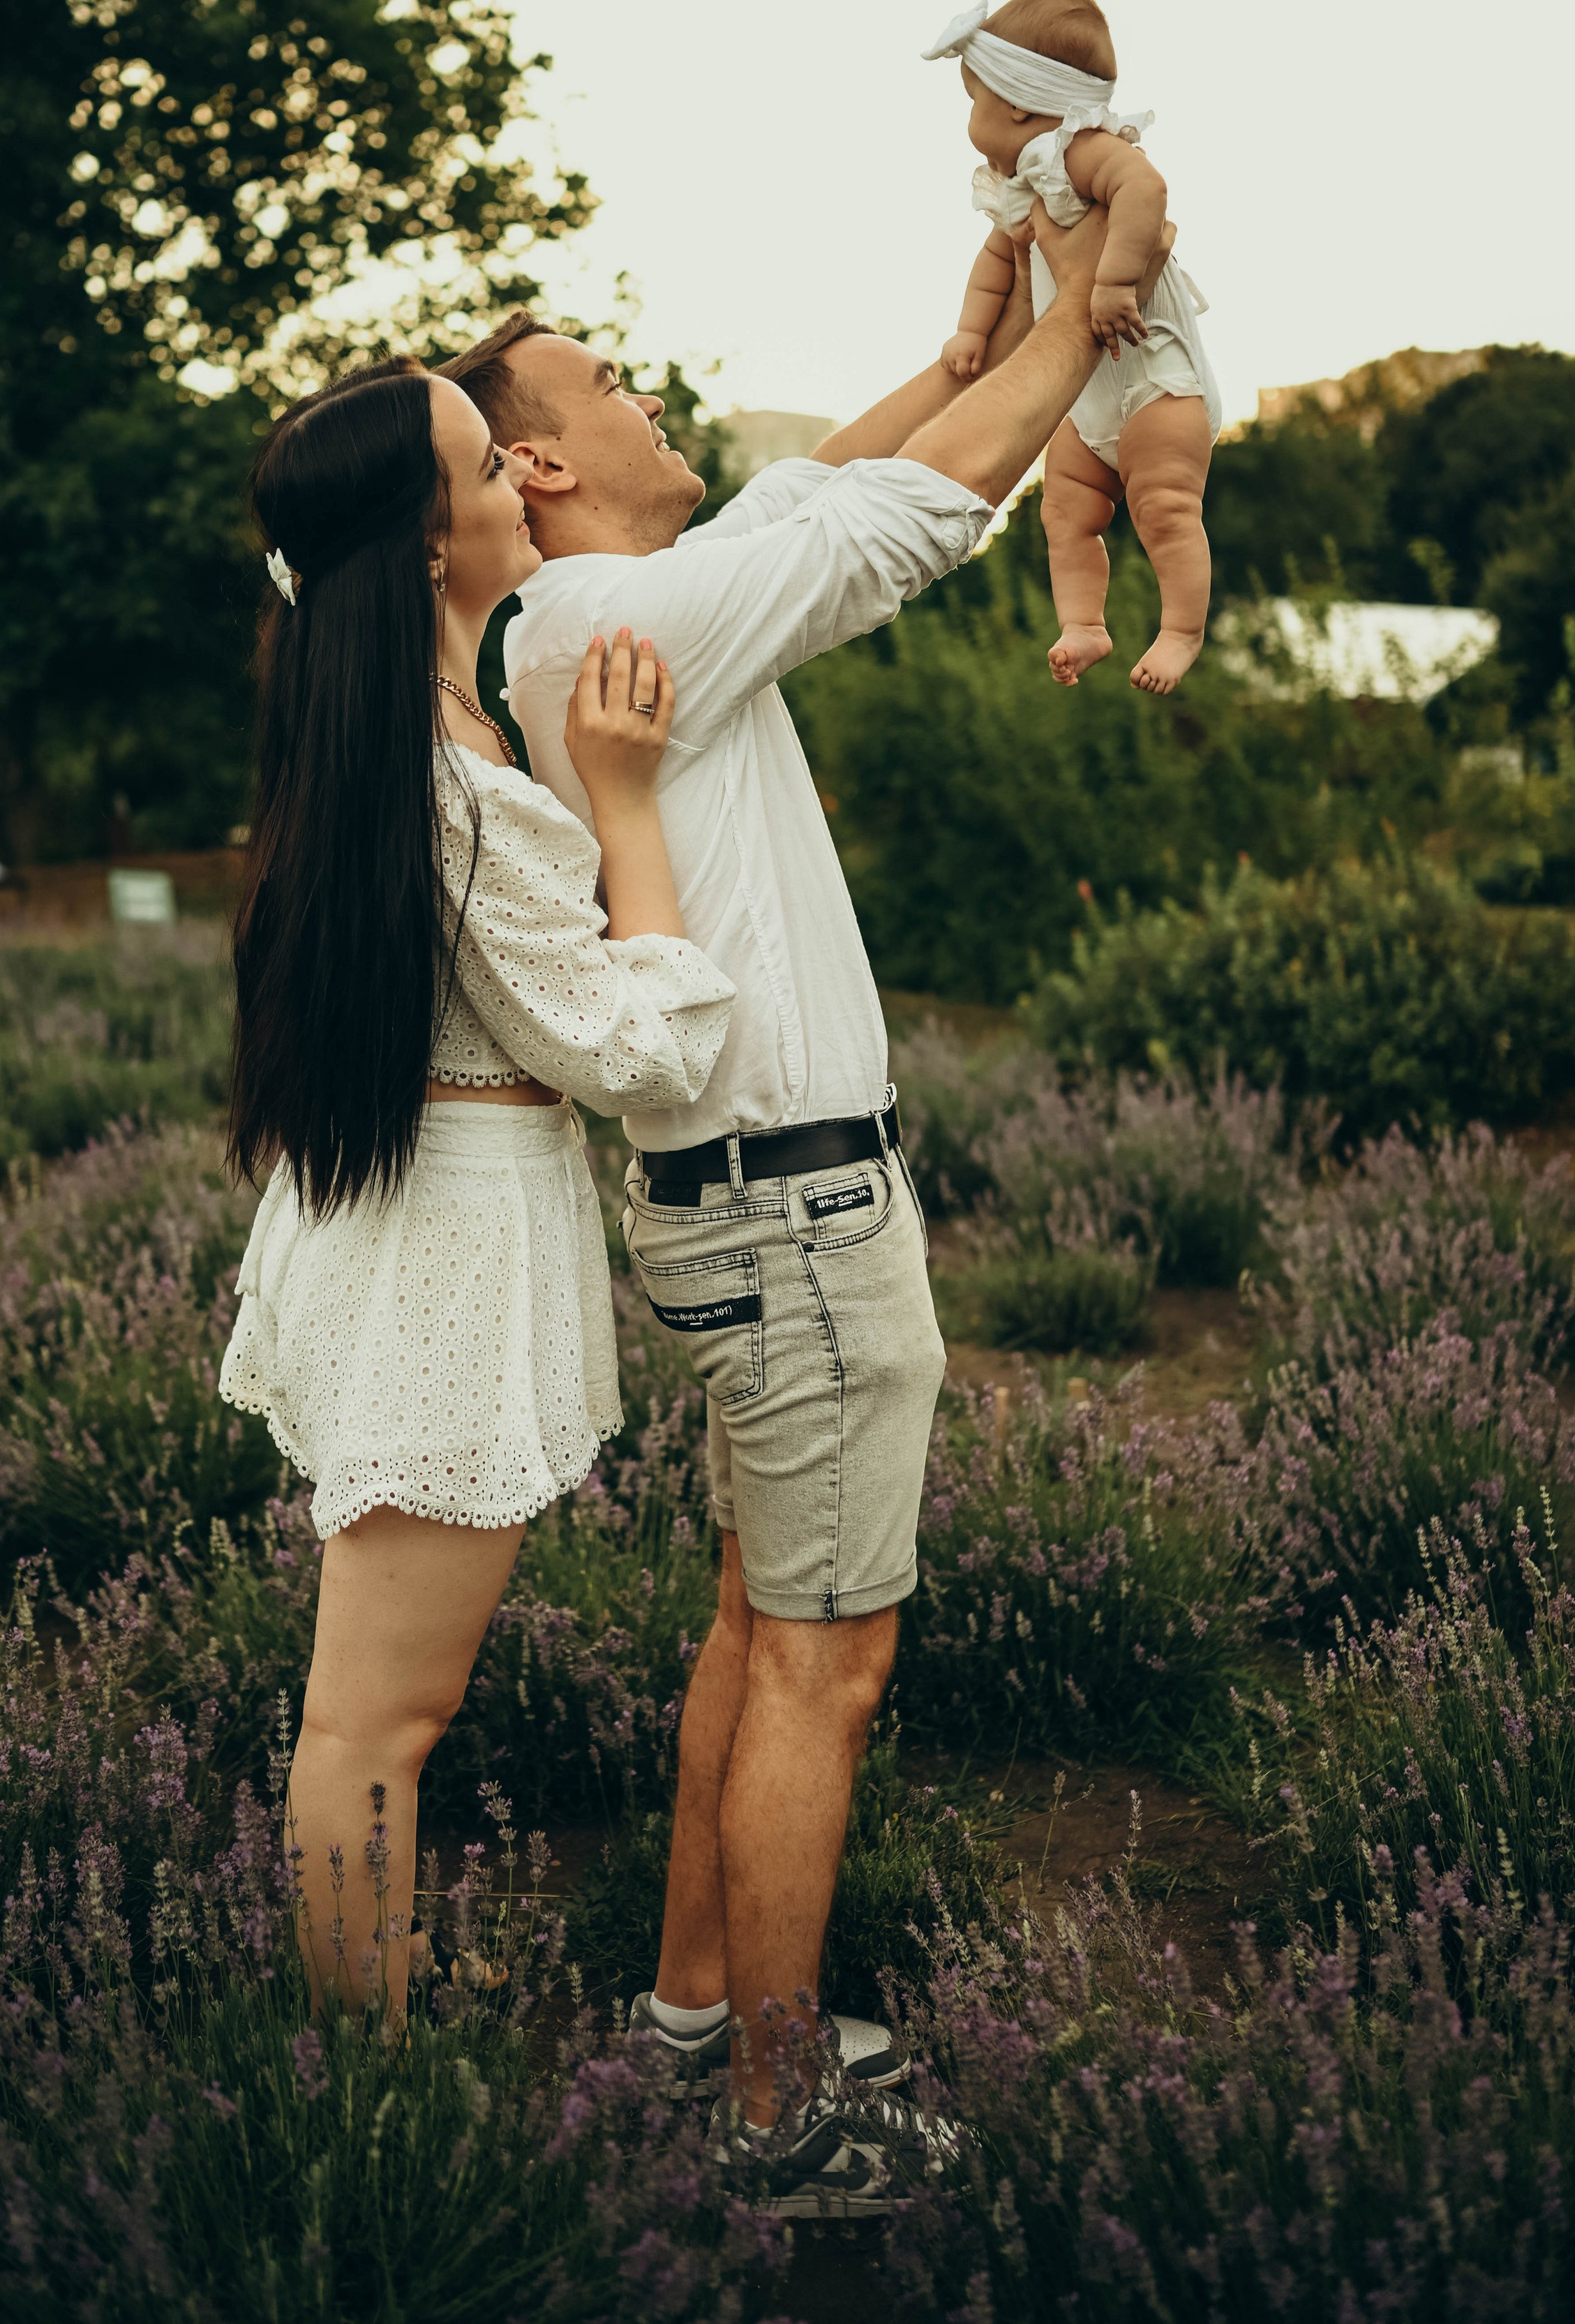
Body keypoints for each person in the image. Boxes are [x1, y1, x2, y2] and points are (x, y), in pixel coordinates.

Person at [438, 202, 1137, 2210]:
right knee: (828, 1658)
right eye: (604, 387)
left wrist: (979, 330)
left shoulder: (630, 608)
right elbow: (893, 518)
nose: (648, 393)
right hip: (797, 1224)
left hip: (756, 1209)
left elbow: (819, 487)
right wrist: (1093, 324)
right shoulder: (600, 624)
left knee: (762, 1624)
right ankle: (776, 2121)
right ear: (544, 464)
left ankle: (684, 2024)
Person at [217, 359, 734, 2019]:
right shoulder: (454, 784)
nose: (519, 468)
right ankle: (360, 2071)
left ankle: (372, 1977)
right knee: (378, 1718)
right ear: (430, 539)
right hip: (445, 1247)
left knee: (372, 1709)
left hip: (402, 1216)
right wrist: (631, 805)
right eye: (478, 457)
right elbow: (632, 1053)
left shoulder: (403, 740)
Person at [926, 0, 1223, 694]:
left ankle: (1181, 630)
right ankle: (1083, 623)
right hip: (1090, 400)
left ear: (1021, 108)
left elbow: (1144, 192)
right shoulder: (1021, 187)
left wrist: (1114, 283)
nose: (971, 119)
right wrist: (971, 331)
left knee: (1165, 506)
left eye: (977, 102)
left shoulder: (1079, 151)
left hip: (1155, 378)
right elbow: (997, 264)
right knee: (1063, 510)